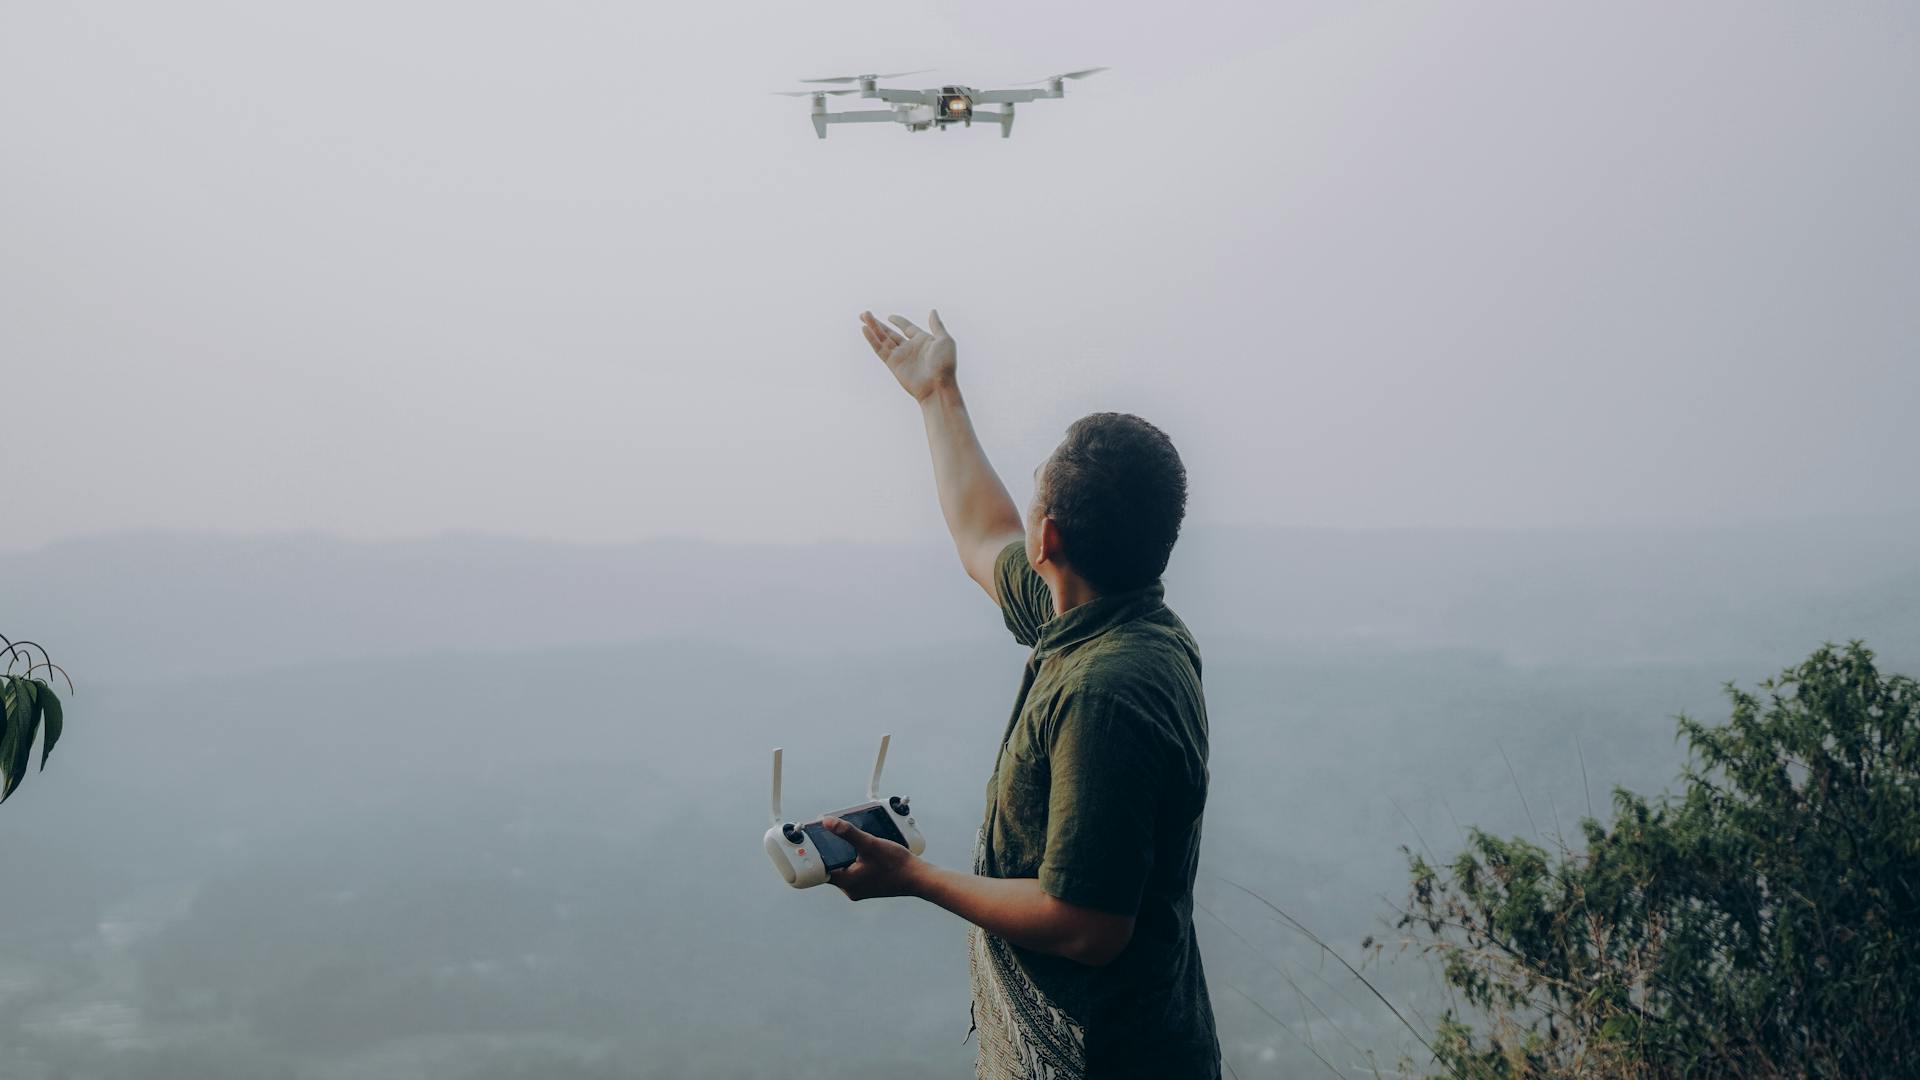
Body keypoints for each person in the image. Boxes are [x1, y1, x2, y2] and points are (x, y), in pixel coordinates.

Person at [821, 309, 1221, 1079]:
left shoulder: (1107, 691)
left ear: (1052, 540)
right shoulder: (1107, 617)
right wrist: (938, 395)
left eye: (1037, 503)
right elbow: (982, 534)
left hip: (1105, 1059)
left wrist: (913, 878)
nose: (1025, 521)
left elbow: (1088, 926)